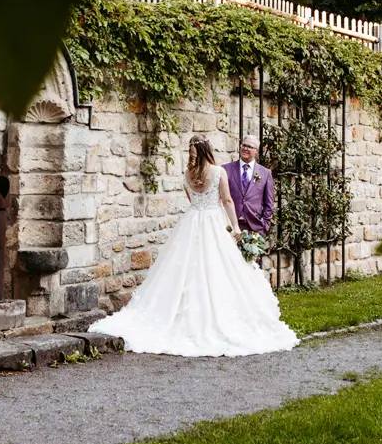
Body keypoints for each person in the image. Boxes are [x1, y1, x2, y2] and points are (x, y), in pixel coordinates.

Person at [88, 134, 298, 357]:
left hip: (191, 221)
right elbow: (227, 201)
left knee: (184, 266)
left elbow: (191, 200)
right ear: (208, 150)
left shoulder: (187, 174)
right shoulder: (219, 171)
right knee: (219, 267)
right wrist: (235, 227)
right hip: (214, 221)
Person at [223, 135, 275, 237]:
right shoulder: (225, 169)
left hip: (255, 228)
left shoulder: (265, 173)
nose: (245, 149)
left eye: (249, 147)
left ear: (256, 151)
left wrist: (264, 226)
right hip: (230, 226)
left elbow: (269, 203)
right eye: (244, 145)